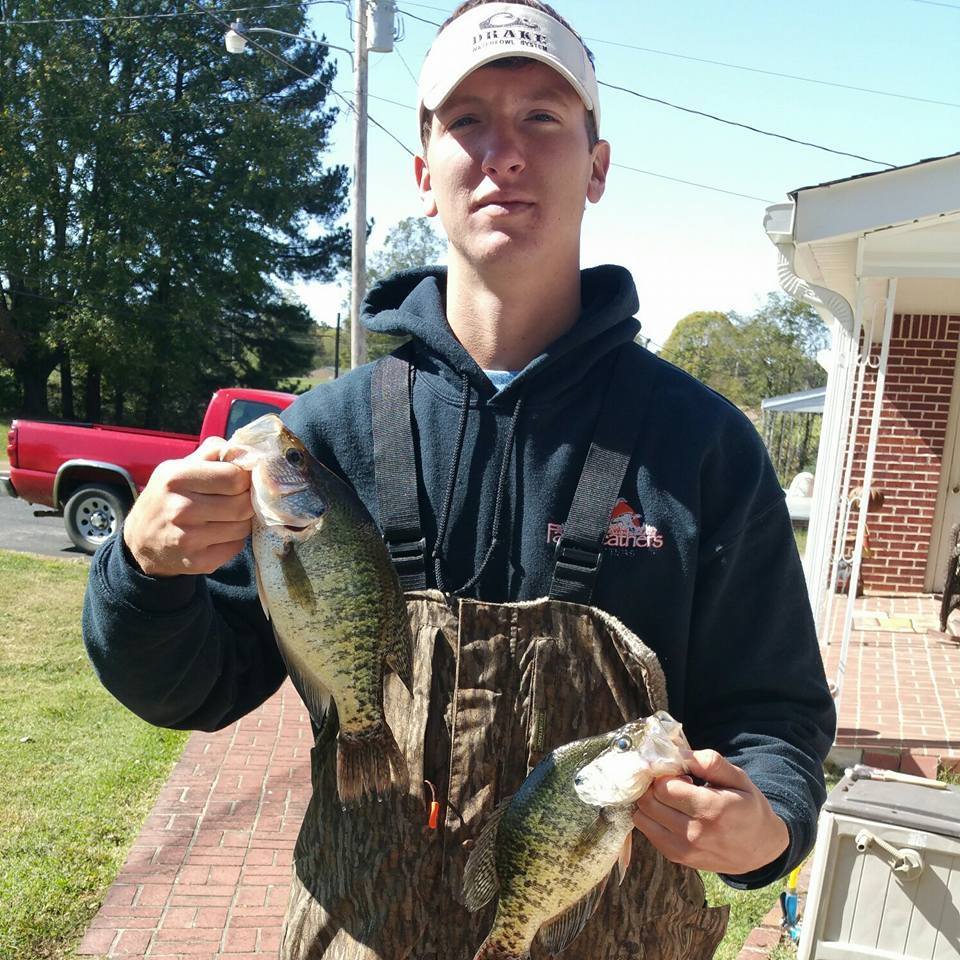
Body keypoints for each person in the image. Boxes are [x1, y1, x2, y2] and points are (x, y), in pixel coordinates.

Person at [83, 2, 836, 958]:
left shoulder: (703, 447)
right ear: (424, 171)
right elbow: (196, 689)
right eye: (468, 119)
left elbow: (778, 713)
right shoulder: (327, 436)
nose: (504, 151)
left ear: (597, 167)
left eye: (543, 118)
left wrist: (766, 823)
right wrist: (144, 573)